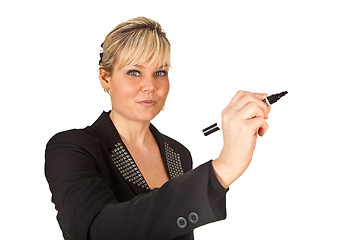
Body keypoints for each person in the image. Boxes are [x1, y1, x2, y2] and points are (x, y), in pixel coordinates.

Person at [45, 16, 270, 240]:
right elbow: (98, 231)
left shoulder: (179, 154)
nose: (150, 86)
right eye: (134, 72)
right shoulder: (71, 149)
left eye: (160, 72)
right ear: (105, 77)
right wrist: (223, 168)